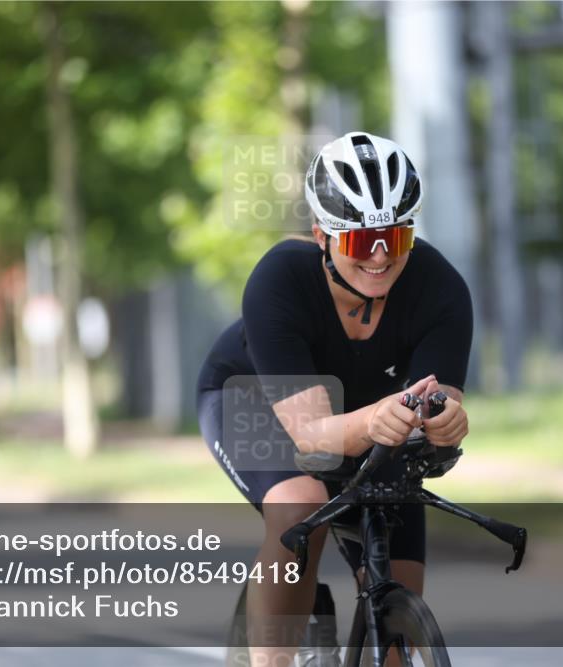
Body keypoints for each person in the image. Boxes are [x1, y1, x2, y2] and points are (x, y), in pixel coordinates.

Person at [196, 131, 473, 665]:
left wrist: (446, 424)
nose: (377, 258)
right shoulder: (279, 280)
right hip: (255, 398)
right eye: (357, 242)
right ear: (323, 236)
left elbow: (440, 408)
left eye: (392, 240)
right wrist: (377, 419)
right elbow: (313, 437)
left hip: (371, 416)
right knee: (301, 506)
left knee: (400, 586)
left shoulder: (441, 290)